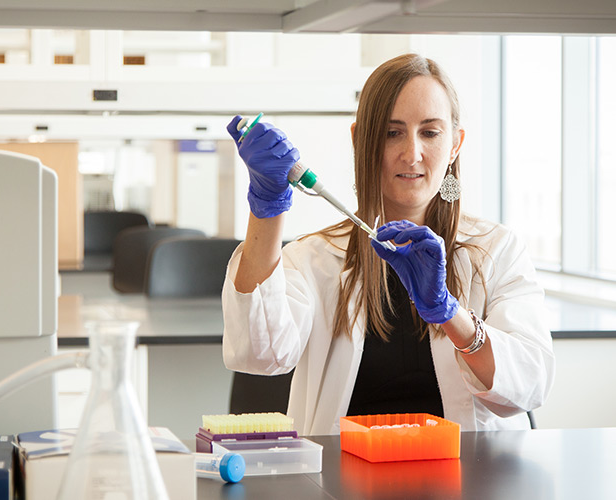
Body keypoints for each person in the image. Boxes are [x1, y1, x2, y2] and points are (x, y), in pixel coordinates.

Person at [221, 53, 555, 435]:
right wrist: (267, 206)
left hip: (471, 482)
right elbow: (259, 355)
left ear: (456, 144)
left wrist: (448, 313)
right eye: (391, 132)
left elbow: (529, 384)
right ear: (359, 139)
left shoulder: (496, 251)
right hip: (342, 483)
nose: (411, 153)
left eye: (430, 132)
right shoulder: (314, 259)